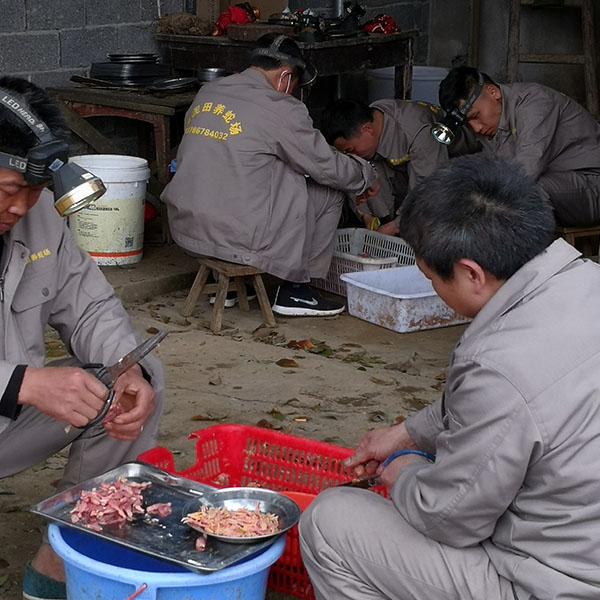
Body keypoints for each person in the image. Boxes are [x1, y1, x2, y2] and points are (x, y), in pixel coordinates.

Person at [299, 153, 600, 600]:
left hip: (559, 584)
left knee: (329, 521)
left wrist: (403, 472)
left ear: (471, 274)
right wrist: (406, 433)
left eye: (430, 278)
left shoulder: (500, 363)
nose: (434, 292)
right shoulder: (584, 281)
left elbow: (449, 517)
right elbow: (520, 403)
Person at [0, 76, 165, 600]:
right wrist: (22, 383)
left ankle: (62, 553)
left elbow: (90, 304)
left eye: (34, 192)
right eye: (9, 190)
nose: (22, 207)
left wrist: (126, 366)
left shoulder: (39, 218)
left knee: (132, 384)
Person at [161, 34, 379, 317]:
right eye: (294, 85)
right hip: (237, 235)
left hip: (187, 226)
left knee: (245, 167)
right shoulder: (280, 106)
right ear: (285, 77)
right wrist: (365, 173)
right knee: (329, 190)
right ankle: (296, 290)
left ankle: (232, 287)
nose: (291, 91)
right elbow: (326, 166)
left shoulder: (209, 92)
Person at [437, 65, 600, 227]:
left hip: (592, 185)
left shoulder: (535, 102)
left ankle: (519, 251)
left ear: (493, 92)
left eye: (475, 116)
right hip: (562, 189)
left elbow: (526, 169)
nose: (476, 128)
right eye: (468, 123)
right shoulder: (492, 125)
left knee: (526, 188)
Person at [320, 98, 479, 236]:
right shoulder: (374, 120)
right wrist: (366, 215)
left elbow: (429, 186)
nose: (352, 155)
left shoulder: (417, 131)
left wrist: (396, 226)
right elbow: (354, 173)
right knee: (365, 166)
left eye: (351, 150)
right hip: (410, 171)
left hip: (460, 170)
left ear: (367, 129)